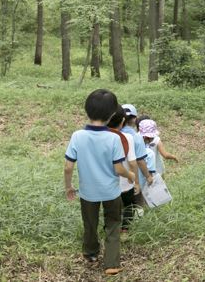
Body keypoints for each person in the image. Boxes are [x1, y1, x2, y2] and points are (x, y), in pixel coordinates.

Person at [64, 89, 135, 276]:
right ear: (112, 114)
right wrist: (130, 176)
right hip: (111, 192)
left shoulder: (77, 136)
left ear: (87, 111)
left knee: (89, 223)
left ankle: (90, 254)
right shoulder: (113, 138)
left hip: (88, 192)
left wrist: (69, 186)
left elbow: (68, 167)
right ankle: (111, 263)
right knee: (113, 224)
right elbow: (118, 169)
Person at [107, 106, 140, 234]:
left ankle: (110, 229)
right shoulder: (127, 137)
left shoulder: (100, 138)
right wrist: (136, 181)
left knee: (110, 208)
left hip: (108, 183)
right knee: (129, 205)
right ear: (122, 121)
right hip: (126, 182)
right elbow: (133, 162)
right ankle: (125, 229)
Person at [121, 104, 153, 206]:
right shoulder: (136, 136)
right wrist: (148, 176)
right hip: (132, 178)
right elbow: (140, 161)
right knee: (135, 205)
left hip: (116, 176)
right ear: (135, 119)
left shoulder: (114, 133)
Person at [138, 120, 158, 190]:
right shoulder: (149, 153)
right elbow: (150, 175)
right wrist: (149, 177)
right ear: (148, 138)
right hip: (142, 186)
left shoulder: (131, 142)